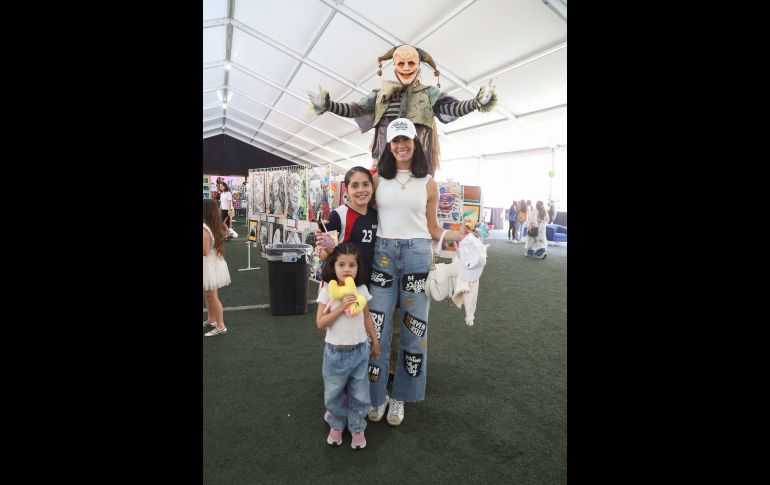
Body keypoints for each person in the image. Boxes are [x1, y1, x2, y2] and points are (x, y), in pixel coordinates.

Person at [366, 118, 467, 426]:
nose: (401, 146)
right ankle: (376, 395)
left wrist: (458, 235)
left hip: (417, 255)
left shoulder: (428, 183)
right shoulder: (376, 180)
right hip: (383, 255)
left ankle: (401, 396)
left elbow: (433, 227)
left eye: (405, 140)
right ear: (388, 145)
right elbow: (359, 211)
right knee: (377, 327)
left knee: (414, 329)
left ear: (414, 143)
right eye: (395, 140)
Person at [308, 44, 498, 175]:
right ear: (394, 67)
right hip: (385, 162)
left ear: (418, 66)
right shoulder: (381, 94)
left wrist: (476, 102)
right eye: (401, 63)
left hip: (418, 164)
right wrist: (328, 105)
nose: (406, 68)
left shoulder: (429, 93)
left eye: (411, 63)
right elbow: (355, 110)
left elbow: (452, 108)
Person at [316, 243, 380, 449]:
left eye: (352, 265)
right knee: (333, 392)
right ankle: (336, 423)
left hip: (360, 350)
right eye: (341, 265)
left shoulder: (361, 290)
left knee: (359, 392)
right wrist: (341, 306)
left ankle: (357, 426)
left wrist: (375, 341)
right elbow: (320, 323)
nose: (346, 269)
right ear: (332, 266)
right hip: (334, 352)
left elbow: (367, 317)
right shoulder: (328, 290)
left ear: (358, 267)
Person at [317, 167, 378, 285]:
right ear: (347, 190)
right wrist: (329, 248)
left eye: (365, 184)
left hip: (365, 285)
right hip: (339, 286)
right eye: (354, 186)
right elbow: (322, 255)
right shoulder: (337, 215)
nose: (361, 190)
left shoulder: (376, 215)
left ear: (372, 187)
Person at [203, 199, 231, 336]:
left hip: (209, 263)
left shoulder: (205, 229)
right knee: (208, 294)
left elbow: (204, 251)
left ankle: (221, 326)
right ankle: (211, 319)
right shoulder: (212, 226)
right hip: (212, 262)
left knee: (212, 295)